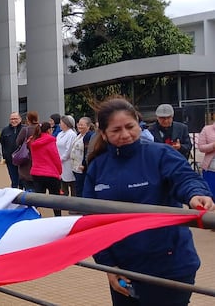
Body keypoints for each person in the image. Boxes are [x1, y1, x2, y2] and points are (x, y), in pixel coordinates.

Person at [83, 97, 214, 305]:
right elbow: (90, 220)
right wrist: (107, 266)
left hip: (170, 267)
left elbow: (184, 177)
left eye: (130, 126)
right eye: (116, 130)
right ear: (104, 134)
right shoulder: (97, 167)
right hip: (124, 270)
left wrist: (196, 195)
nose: (125, 135)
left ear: (138, 123)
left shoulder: (160, 154)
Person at [29, 122, 64, 216]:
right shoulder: (50, 140)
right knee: (55, 199)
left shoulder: (33, 141)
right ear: (49, 130)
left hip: (36, 172)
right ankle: (57, 218)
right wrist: (59, 171)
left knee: (37, 199)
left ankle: (33, 216)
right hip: (51, 173)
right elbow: (55, 157)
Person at [69, 117, 94, 197]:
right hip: (75, 167)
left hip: (82, 168)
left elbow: (88, 152)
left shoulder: (89, 136)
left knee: (81, 189)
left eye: (82, 125)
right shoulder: (78, 135)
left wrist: (84, 164)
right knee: (78, 187)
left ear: (88, 126)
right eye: (79, 124)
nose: (79, 126)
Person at [16, 111, 40, 192]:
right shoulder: (41, 128)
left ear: (28, 119)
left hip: (27, 159)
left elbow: (18, 142)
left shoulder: (25, 130)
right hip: (39, 160)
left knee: (28, 186)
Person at [0, 112, 23, 189]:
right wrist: (4, 155)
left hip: (23, 160)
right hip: (10, 160)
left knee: (23, 181)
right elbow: (1, 143)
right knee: (14, 181)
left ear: (20, 119)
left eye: (15, 119)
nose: (13, 121)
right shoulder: (5, 130)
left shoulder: (25, 129)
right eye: (12, 119)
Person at [56, 115, 78, 196]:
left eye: (61, 123)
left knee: (71, 183)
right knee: (63, 184)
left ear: (66, 124)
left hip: (68, 163)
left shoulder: (71, 134)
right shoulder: (60, 134)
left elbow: (69, 150)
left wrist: (61, 158)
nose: (59, 125)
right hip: (60, 163)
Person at [198, 119, 215, 195]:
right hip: (211, 170)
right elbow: (201, 147)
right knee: (210, 195)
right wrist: (213, 146)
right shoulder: (207, 129)